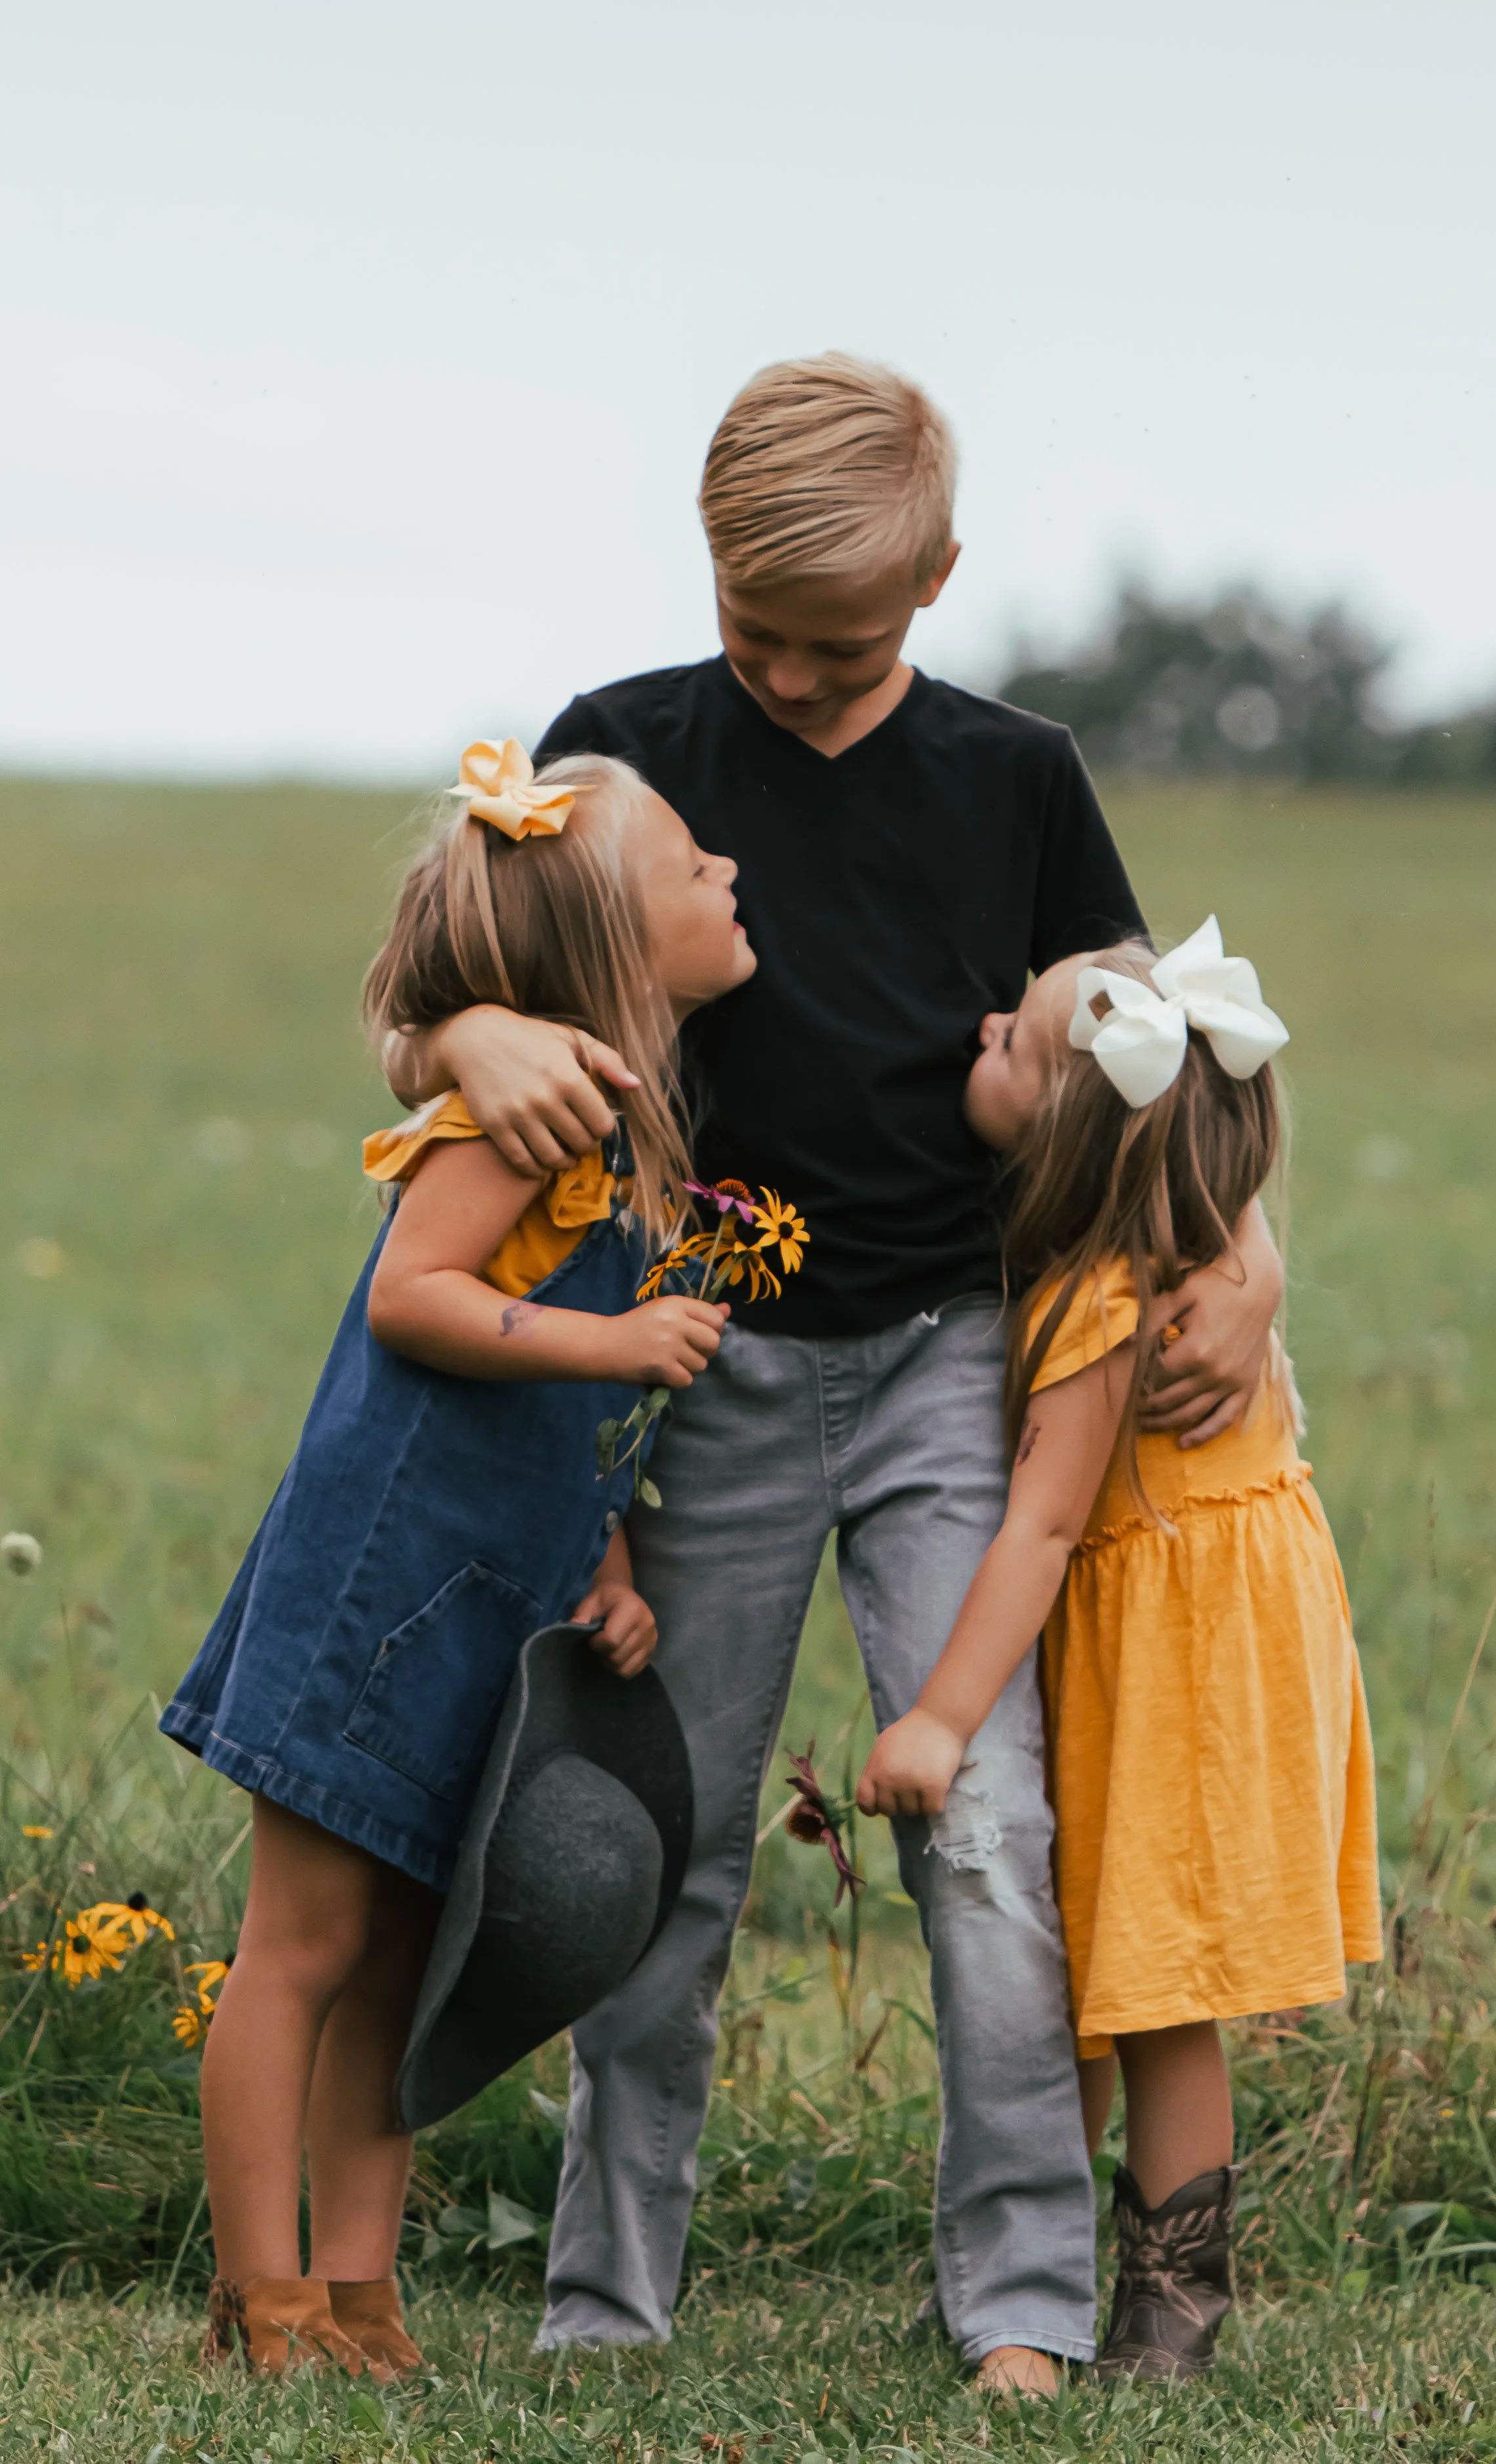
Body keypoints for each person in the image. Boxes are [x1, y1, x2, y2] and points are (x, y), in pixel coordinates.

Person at [385, 355, 1286, 2389]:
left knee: (980, 1826)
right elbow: (442, 997)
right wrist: (461, 1047)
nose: (788, 680)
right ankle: (606, 2300)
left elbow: (1167, 1057)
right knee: (665, 1838)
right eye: (752, 631)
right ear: (702, 570)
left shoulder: (1019, 775)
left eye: (841, 641)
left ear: (942, 578)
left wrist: (1255, 1256)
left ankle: (1030, 2303)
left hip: (958, 1365)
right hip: (686, 1365)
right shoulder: (615, 754)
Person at [161, 743, 751, 2377]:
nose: (728, 877)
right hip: (378, 1579)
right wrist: (620, 1342)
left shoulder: (632, 1139)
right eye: (693, 864)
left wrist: (610, 1563)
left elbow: (576, 1417)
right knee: (304, 1945)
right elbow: (415, 1297)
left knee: (407, 1963)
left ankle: (359, 2294)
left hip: (489, 1598)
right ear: (620, 954)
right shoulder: (518, 1111)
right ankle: (259, 2297)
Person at [858, 923, 1382, 2382]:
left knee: (1153, 1993)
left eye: (1014, 1047)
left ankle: (1172, 2303)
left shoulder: (1103, 1305)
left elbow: (1035, 1532)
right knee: (1092, 1978)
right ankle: (1022, 2270)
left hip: (1185, 1670)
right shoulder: (1192, 1249)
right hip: (1199, 1636)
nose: (983, 1033)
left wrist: (937, 1724)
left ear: (1066, 1138)